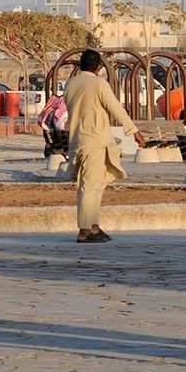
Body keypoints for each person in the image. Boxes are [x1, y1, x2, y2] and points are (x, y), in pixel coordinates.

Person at [64, 49, 145, 243]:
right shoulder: (99, 84)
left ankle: (93, 226)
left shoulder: (70, 84)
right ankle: (84, 230)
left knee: (96, 185)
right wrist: (134, 131)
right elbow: (116, 108)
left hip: (78, 141)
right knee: (89, 187)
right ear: (98, 67)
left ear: (80, 65)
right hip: (94, 142)